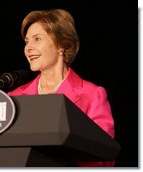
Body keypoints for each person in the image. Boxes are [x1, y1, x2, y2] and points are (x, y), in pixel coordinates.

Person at [7, 9, 115, 167]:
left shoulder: (92, 95)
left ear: (61, 45)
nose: (28, 48)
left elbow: (104, 157)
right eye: (26, 41)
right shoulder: (14, 97)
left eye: (37, 39)